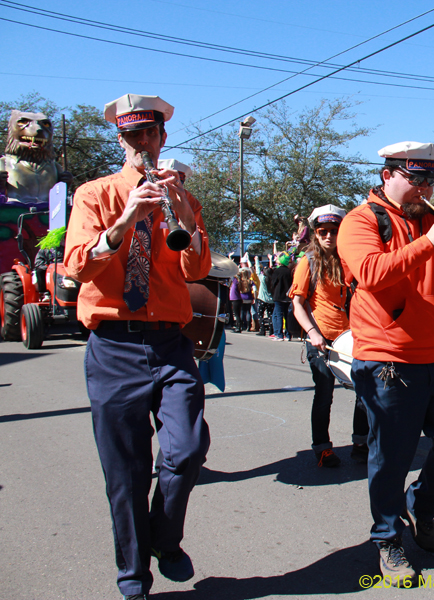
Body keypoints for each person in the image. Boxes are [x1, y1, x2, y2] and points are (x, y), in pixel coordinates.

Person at [63, 94, 212, 600]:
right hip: (113, 345)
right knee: (125, 472)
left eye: (150, 136)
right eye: (132, 138)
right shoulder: (94, 193)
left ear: (162, 137)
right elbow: (77, 266)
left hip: (170, 342)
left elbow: (196, 269)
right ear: (121, 141)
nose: (142, 145)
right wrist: (125, 220)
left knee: (189, 449)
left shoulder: (181, 198)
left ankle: (165, 538)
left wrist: (185, 218)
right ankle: (133, 577)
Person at [338, 141, 434, 586]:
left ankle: (419, 507)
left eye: (430, 180)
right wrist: (431, 240)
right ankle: (387, 538)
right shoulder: (361, 220)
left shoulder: (432, 220)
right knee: (391, 457)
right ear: (388, 176)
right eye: (416, 179)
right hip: (388, 358)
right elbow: (373, 273)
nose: (424, 188)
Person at [289, 204, 369, 466]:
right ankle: (322, 448)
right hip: (320, 339)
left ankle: (361, 443)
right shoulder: (308, 262)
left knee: (364, 390)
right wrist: (313, 333)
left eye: (334, 231)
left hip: (348, 338)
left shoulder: (347, 261)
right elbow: (298, 304)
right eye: (323, 231)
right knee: (324, 394)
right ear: (315, 233)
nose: (328, 236)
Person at [269, 253, 293, 341]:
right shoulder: (289, 271)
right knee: (286, 315)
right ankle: (288, 335)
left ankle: (279, 334)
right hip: (287, 296)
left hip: (278, 296)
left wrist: (272, 291)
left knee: (278, 315)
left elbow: (273, 283)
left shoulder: (277, 271)